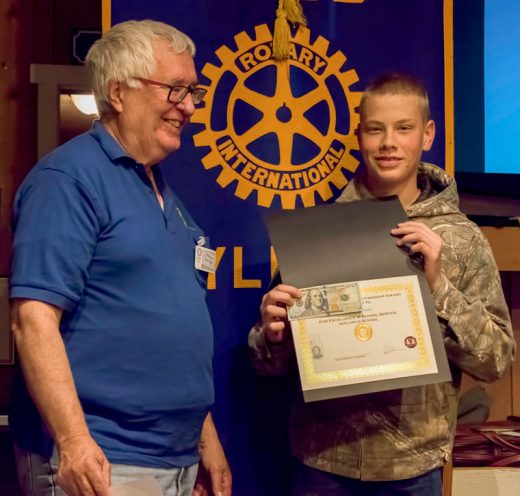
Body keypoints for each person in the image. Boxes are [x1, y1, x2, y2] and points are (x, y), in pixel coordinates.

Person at [248, 72, 514, 495]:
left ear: (427, 135)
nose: (389, 143)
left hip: (412, 467)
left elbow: (496, 360)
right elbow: (269, 364)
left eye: (403, 128)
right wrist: (273, 335)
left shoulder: (462, 239)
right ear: (360, 136)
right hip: (322, 460)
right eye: (376, 129)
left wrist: (438, 288)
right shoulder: (321, 232)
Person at [10, 20, 231, 496]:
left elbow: (170, 332)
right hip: (102, 460)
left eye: (193, 91)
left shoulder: (164, 194)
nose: (189, 106)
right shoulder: (68, 180)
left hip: (176, 460)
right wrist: (72, 441)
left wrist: (203, 438)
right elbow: (33, 320)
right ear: (117, 92)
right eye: (175, 89)